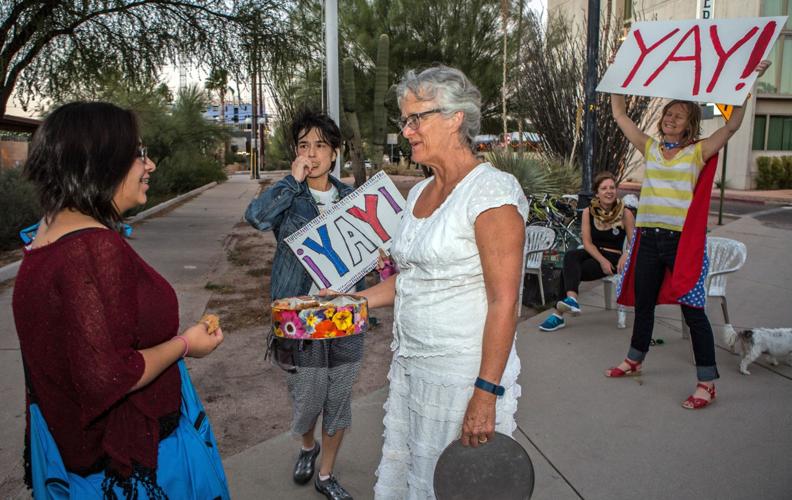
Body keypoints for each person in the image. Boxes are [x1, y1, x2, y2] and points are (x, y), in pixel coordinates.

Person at [12, 101, 227, 498]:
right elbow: (108, 376)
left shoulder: (46, 237)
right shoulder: (91, 249)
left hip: (88, 465)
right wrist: (185, 344)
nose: (150, 165)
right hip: (132, 470)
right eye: (138, 154)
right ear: (101, 163)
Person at [353, 65, 528, 499]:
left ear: (455, 118)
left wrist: (485, 394)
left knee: (455, 486)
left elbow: (505, 302)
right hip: (412, 369)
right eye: (405, 120)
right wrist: (350, 301)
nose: (407, 131)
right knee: (417, 477)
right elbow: (412, 280)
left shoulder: (491, 193)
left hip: (461, 378)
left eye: (416, 119)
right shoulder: (419, 192)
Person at [604, 60, 771, 410]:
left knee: (694, 311)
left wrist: (749, 79)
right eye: (669, 113)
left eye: (679, 116)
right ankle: (635, 358)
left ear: (689, 124)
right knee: (644, 305)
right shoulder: (651, 147)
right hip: (648, 239)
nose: (671, 118)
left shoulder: (698, 151)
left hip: (681, 244)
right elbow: (620, 115)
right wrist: (617, 76)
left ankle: (707, 382)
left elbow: (732, 124)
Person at [245, 109, 361, 500]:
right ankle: (308, 447)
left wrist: (378, 261)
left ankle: (326, 474)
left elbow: (368, 253)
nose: (311, 153)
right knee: (308, 398)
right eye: (303, 145)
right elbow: (256, 218)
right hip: (301, 318)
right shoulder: (289, 197)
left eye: (320, 145)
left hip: (344, 315)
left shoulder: (353, 200)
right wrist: (290, 182)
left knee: (339, 398)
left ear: (334, 153)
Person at [539, 172, 635, 332]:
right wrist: (601, 260)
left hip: (613, 257)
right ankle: (572, 300)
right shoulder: (588, 212)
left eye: (612, 187)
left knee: (568, 271)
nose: (609, 191)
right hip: (593, 252)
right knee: (570, 256)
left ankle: (558, 315)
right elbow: (587, 243)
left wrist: (626, 254)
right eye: (604, 188)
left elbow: (634, 242)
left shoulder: (625, 213)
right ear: (597, 193)